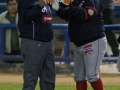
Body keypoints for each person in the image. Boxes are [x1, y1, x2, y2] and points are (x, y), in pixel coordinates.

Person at [50, 0, 107, 90]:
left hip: (93, 41)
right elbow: (69, 16)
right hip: (79, 43)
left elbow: (87, 14)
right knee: (79, 77)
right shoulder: (76, 1)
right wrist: (58, 9)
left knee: (92, 76)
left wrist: (70, 7)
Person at [17, 0, 56, 90]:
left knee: (49, 78)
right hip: (33, 42)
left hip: (47, 42)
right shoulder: (25, 1)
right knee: (30, 79)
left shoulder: (47, 1)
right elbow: (25, 17)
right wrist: (39, 6)